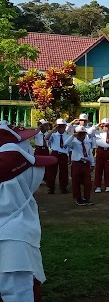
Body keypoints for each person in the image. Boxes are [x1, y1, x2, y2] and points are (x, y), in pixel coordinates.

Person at [0, 121, 58, 302]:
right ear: (19, 180)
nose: (38, 173)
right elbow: (18, 294)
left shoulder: (10, 217)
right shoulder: (15, 237)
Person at [65, 126, 95, 206]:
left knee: (88, 182)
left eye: (84, 134)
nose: (82, 136)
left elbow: (90, 154)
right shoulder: (74, 143)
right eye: (80, 134)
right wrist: (73, 136)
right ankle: (78, 198)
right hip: (77, 163)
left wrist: (92, 164)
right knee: (76, 182)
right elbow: (66, 143)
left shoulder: (87, 143)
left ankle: (86, 198)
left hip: (85, 164)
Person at [93, 118, 109, 193]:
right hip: (101, 150)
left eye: (108, 125)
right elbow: (89, 132)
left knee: (108, 169)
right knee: (99, 169)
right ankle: (98, 186)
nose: (107, 127)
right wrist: (97, 125)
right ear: (102, 126)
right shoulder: (98, 133)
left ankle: (108, 186)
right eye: (105, 125)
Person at [46, 119, 71, 195]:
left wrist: (70, 157)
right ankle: (51, 187)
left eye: (63, 126)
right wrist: (53, 129)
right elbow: (46, 138)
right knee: (52, 171)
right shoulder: (53, 135)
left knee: (64, 171)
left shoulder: (67, 136)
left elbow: (69, 148)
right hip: (55, 153)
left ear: (65, 127)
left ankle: (63, 187)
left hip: (63, 154)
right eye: (59, 126)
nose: (61, 128)